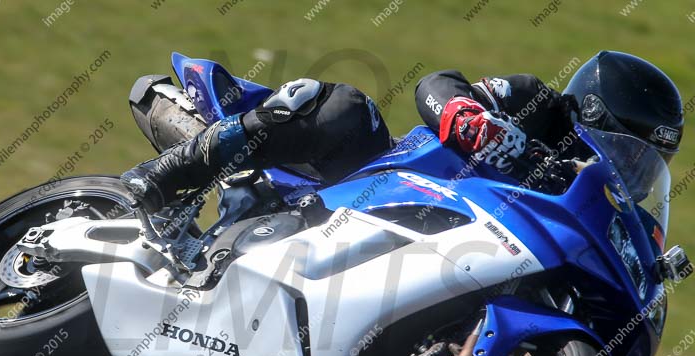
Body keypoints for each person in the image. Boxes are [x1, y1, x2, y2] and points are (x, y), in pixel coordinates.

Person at [121, 50, 684, 211]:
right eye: (626, 151)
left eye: (646, 165)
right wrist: (476, 124)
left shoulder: (604, 204)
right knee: (344, 106)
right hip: (384, 184)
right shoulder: (538, 103)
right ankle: (168, 172)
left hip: (458, 248)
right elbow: (436, 86)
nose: (631, 171)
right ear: (593, 115)